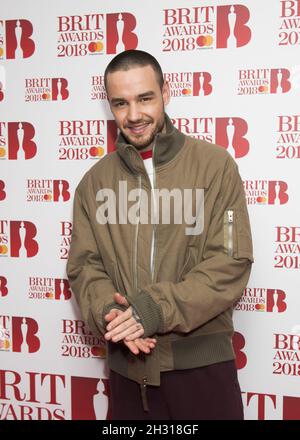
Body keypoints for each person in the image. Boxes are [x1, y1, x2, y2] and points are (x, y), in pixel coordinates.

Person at [67, 49, 254, 420]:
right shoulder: (93, 183)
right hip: (126, 373)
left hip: (202, 376)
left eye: (145, 98)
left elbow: (230, 261)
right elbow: (84, 268)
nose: (134, 115)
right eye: (120, 103)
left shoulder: (216, 167)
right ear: (110, 106)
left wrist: (151, 310)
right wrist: (112, 314)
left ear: (166, 93)